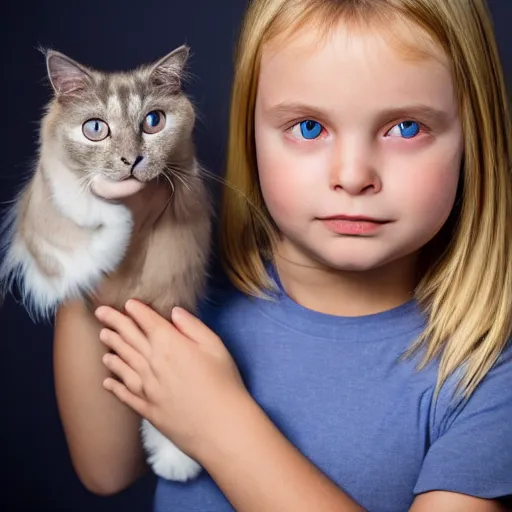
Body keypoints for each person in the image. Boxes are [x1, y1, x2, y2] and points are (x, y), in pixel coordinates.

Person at [53, 0, 512, 510]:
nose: (354, 175)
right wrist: (100, 245)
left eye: (405, 128)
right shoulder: (191, 287)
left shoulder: (489, 370)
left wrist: (218, 424)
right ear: (251, 134)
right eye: (309, 128)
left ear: (474, 135)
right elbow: (105, 469)